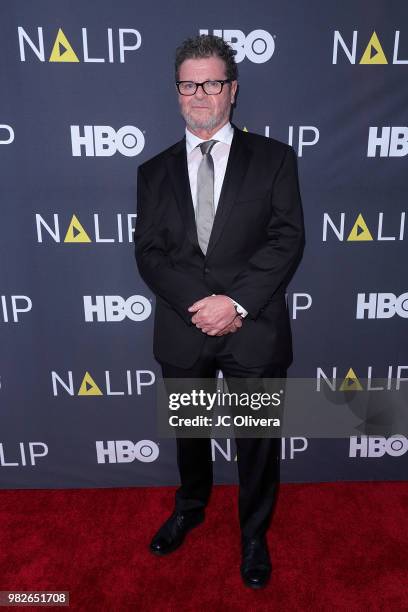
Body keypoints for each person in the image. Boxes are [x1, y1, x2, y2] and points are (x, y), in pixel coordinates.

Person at [134, 34, 304, 589]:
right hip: (185, 329)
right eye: (189, 84)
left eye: (211, 82)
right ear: (177, 92)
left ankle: (254, 534)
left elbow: (286, 239)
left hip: (251, 327)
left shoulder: (275, 159)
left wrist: (233, 303)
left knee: (256, 441)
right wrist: (197, 306)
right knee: (189, 432)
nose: (199, 94)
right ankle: (190, 507)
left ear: (232, 90)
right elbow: (150, 254)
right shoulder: (153, 172)